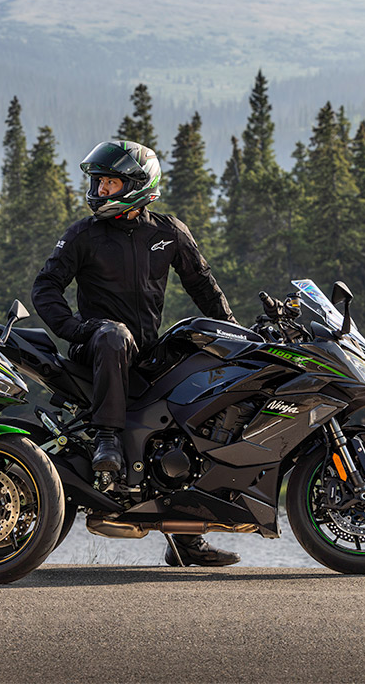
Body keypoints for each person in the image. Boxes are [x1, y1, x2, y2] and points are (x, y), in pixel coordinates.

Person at [31, 139, 241, 568]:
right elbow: (45, 287)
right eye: (98, 182)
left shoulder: (168, 232)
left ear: (138, 185)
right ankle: (107, 439)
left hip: (145, 350)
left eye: (108, 182)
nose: (99, 190)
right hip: (97, 345)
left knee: (196, 393)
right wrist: (74, 329)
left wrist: (236, 337)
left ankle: (185, 536)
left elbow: (203, 286)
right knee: (113, 333)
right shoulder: (83, 235)